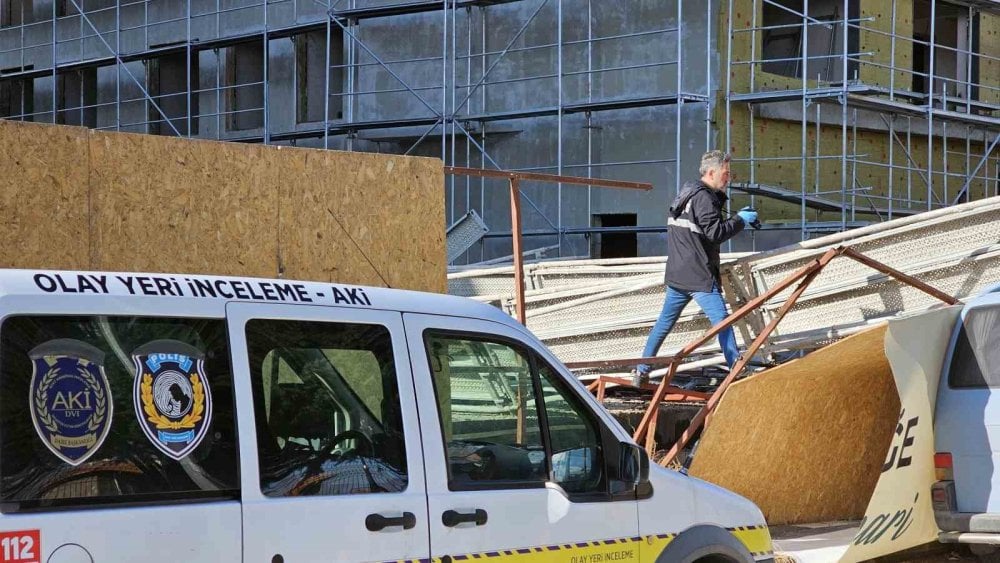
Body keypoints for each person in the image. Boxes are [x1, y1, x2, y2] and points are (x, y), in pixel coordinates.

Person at [633, 150, 759, 386]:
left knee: (663, 324)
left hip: (677, 274)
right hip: (699, 276)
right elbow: (715, 233)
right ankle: (736, 367)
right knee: (722, 320)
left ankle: (641, 370)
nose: (728, 178)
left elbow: (702, 229)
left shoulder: (687, 193)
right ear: (712, 172)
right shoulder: (703, 198)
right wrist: (741, 219)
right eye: (726, 173)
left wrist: (731, 212)